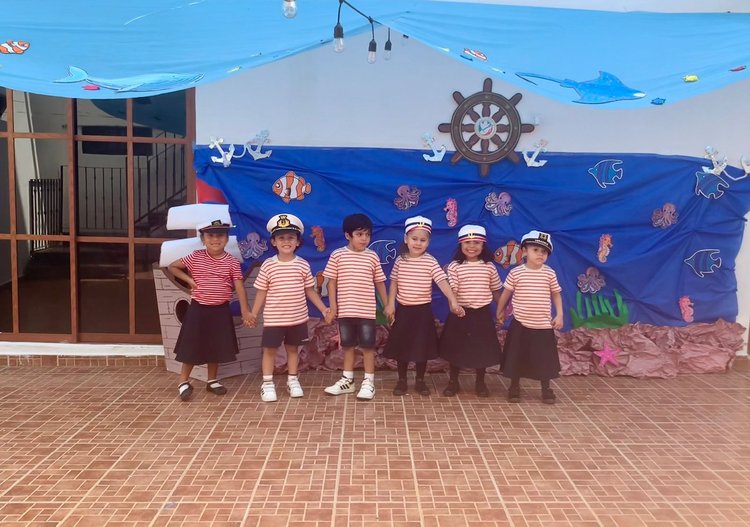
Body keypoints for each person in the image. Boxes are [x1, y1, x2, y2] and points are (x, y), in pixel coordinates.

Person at [247, 213, 333, 402]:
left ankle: (292, 380)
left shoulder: (302, 265)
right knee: (270, 350)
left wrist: (324, 309)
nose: (286, 241)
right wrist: (253, 313)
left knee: (293, 350)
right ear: (274, 242)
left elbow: (310, 291)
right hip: (274, 319)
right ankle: (267, 383)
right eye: (281, 238)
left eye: (290, 237)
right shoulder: (268, 265)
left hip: (297, 318)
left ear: (298, 242)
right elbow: (261, 292)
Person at [168, 219, 252, 401]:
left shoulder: (232, 261)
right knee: (192, 345)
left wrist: (245, 311)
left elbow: (239, 287)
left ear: (226, 238)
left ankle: (212, 380)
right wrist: (189, 280)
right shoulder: (195, 257)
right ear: (203, 239)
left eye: (220, 235)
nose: (215, 239)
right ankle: (183, 381)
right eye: (210, 235)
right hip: (198, 310)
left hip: (220, 310)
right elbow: (172, 267)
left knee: (216, 345)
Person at [383, 216, 465, 396]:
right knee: (403, 347)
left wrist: (453, 300)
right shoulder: (400, 260)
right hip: (404, 310)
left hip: (422, 312)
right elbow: (394, 283)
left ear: (428, 242)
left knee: (421, 347)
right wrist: (390, 304)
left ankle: (420, 380)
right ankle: (402, 380)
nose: (418, 243)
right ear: (406, 239)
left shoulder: (430, 261)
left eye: (423, 240)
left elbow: (442, 281)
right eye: (414, 239)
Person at [323, 213, 387, 400]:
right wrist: (333, 307)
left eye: (367, 235)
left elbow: (380, 282)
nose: (364, 239)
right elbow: (331, 283)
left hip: (367, 312)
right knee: (348, 346)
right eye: (359, 234)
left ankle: (368, 382)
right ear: (347, 235)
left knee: (368, 347)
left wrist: (388, 305)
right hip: (346, 312)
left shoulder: (372, 256)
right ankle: (347, 380)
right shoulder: (338, 255)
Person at [496, 230, 563, 404]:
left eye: (544, 251)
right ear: (524, 251)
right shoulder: (516, 273)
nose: (540, 254)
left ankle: (546, 388)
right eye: (536, 250)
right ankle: (514, 386)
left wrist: (560, 315)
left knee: (544, 359)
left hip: (543, 325)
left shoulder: (549, 273)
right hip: (520, 323)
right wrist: (499, 311)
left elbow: (556, 294)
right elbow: (506, 293)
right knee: (517, 356)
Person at [439, 224, 503, 397]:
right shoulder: (454, 266)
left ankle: (480, 382)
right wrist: (454, 306)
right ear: (460, 244)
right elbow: (453, 290)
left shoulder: (489, 267)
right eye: (467, 242)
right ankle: (453, 381)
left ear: (483, 245)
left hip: (482, 314)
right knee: (456, 348)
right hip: (460, 313)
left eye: (476, 242)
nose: (472, 246)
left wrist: (501, 310)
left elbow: (496, 291)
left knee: (481, 348)